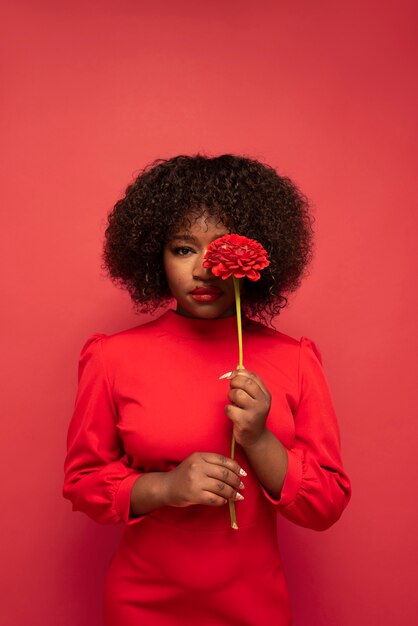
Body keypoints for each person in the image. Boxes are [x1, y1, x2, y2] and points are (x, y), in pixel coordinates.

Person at [63, 154, 351, 626]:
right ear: (153, 255)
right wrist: (167, 488)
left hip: (254, 606)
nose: (204, 270)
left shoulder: (295, 359)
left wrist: (258, 439)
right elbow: (83, 483)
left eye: (221, 250)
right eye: (183, 249)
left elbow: (325, 506)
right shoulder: (110, 358)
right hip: (143, 605)